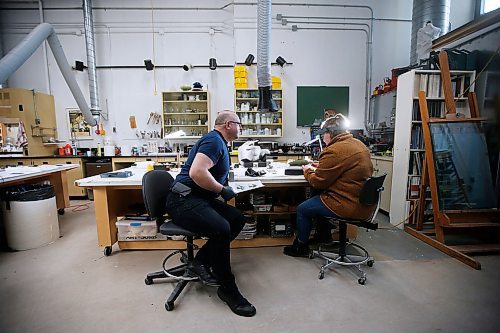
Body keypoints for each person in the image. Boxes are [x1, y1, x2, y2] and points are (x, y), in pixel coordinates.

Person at [165, 111, 256, 317]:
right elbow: (197, 172)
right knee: (221, 228)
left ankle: (200, 261)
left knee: (236, 219)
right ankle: (227, 289)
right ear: (227, 124)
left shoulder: (220, 143)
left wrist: (221, 186)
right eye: (239, 124)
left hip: (198, 198)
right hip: (182, 200)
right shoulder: (213, 140)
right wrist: (221, 190)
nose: (241, 128)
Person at [283, 114, 374, 257]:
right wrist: (322, 165)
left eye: (323, 134)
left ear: (328, 133)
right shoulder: (358, 144)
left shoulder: (334, 150)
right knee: (316, 196)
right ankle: (323, 236)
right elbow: (345, 165)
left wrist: (307, 171)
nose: (322, 138)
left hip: (347, 204)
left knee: (303, 209)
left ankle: (301, 247)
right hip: (363, 202)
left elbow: (318, 182)